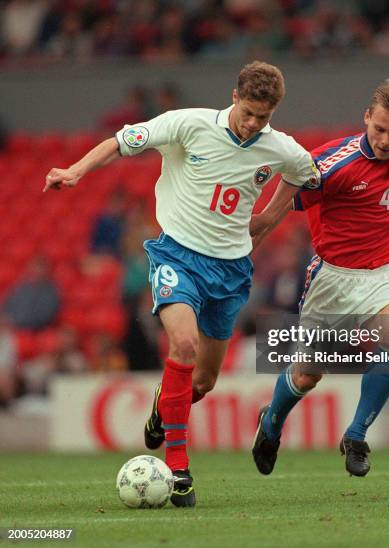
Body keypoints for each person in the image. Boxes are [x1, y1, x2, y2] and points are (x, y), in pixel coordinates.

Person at [43, 61, 318, 507]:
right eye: (247, 112)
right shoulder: (188, 124)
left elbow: (305, 173)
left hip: (230, 271)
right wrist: (75, 171)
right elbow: (119, 142)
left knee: (205, 381)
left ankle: (161, 407)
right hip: (176, 256)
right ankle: (179, 468)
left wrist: (269, 216)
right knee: (183, 345)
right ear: (234, 96)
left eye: (262, 117)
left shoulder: (279, 147)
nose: (252, 124)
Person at [250, 79, 389, 478]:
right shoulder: (333, 165)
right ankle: (271, 423)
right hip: (333, 279)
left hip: (385, 273)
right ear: (366, 117)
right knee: (309, 373)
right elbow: (288, 194)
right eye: (378, 128)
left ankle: (356, 434)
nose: (384, 139)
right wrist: (259, 227)